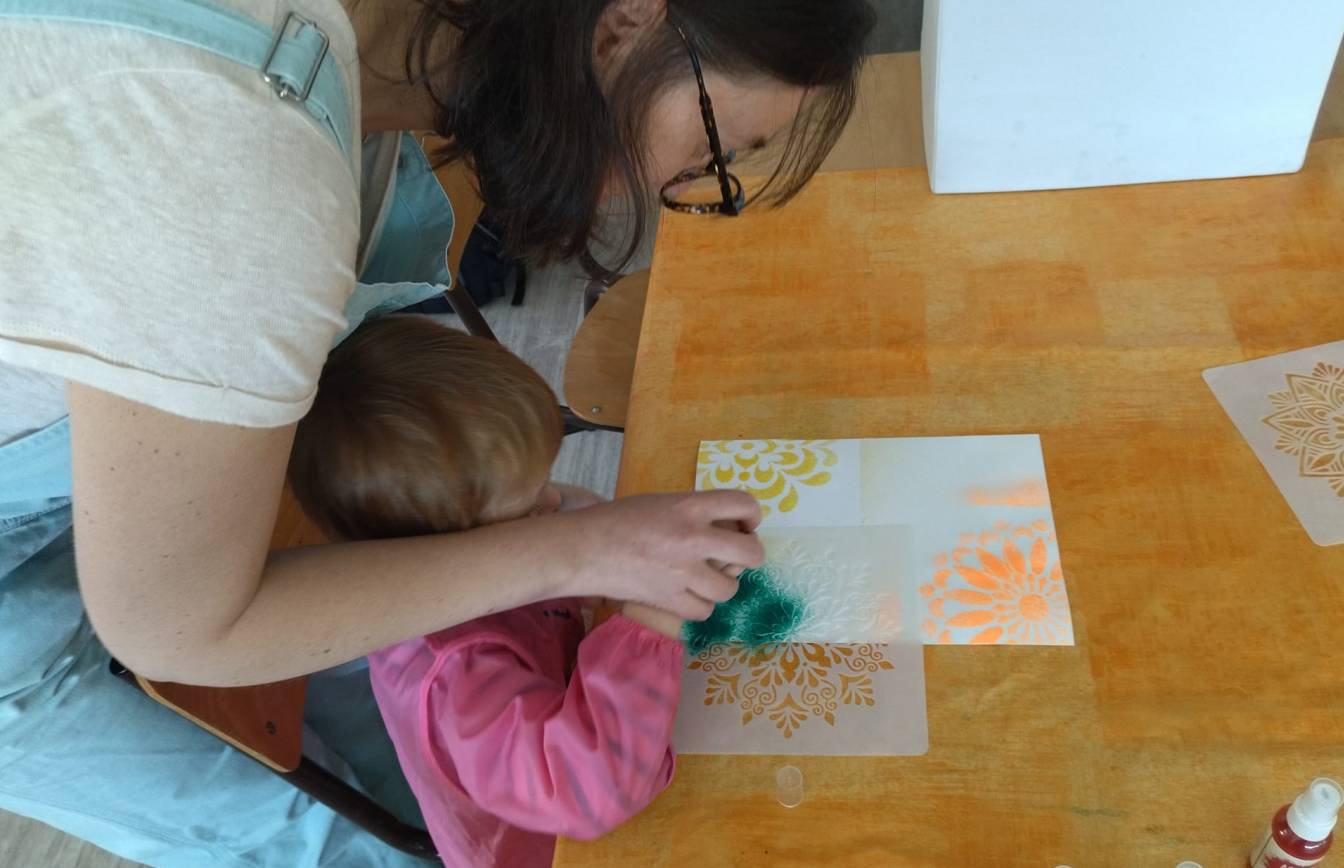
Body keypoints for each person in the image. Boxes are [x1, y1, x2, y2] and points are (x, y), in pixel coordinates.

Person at [0, 0, 875, 863]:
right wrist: (586, 554)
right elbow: (174, 627)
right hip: (50, 564)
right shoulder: (230, 166)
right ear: (628, 19)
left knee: (399, 720)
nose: (668, 191)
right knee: (311, 831)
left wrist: (572, 554)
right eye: (711, 152)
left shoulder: (321, 93)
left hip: (115, 439)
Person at [290, 315, 685, 868]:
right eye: (528, 504)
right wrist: (648, 621)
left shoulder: (433, 542)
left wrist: (587, 533)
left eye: (543, 480)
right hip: (544, 846)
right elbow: (592, 791)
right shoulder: (457, 674)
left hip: (574, 711)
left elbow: (560, 522)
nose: (552, 502)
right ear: (458, 543)